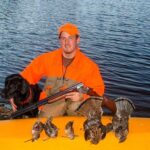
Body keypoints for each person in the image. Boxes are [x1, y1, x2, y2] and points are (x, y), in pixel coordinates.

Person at [10, 22, 116, 117]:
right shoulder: (47, 58)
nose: (67, 42)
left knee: (76, 107)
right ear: (59, 40)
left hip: (78, 103)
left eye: (70, 38)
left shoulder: (89, 65)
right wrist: (14, 93)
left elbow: (98, 91)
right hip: (51, 102)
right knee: (44, 120)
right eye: (63, 38)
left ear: (77, 40)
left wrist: (82, 97)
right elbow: (26, 76)